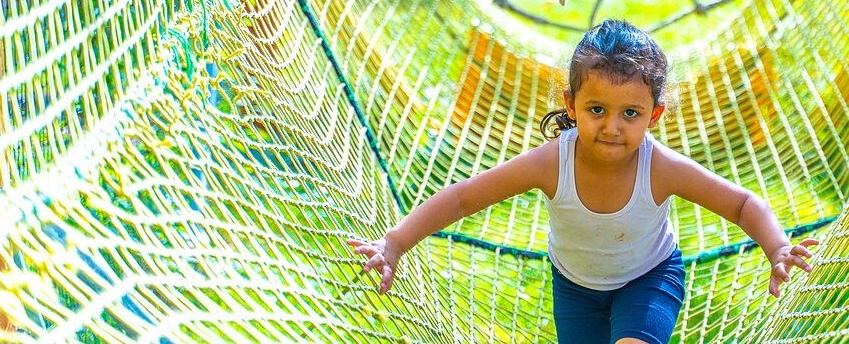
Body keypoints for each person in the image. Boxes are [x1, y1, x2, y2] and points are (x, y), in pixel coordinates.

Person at [348, 19, 817, 344]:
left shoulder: (662, 167)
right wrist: (394, 244)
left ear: (653, 116)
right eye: (597, 110)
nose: (612, 127)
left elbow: (740, 204)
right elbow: (464, 197)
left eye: (629, 114)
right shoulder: (552, 162)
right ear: (571, 106)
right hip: (574, 286)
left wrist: (776, 247)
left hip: (650, 278)